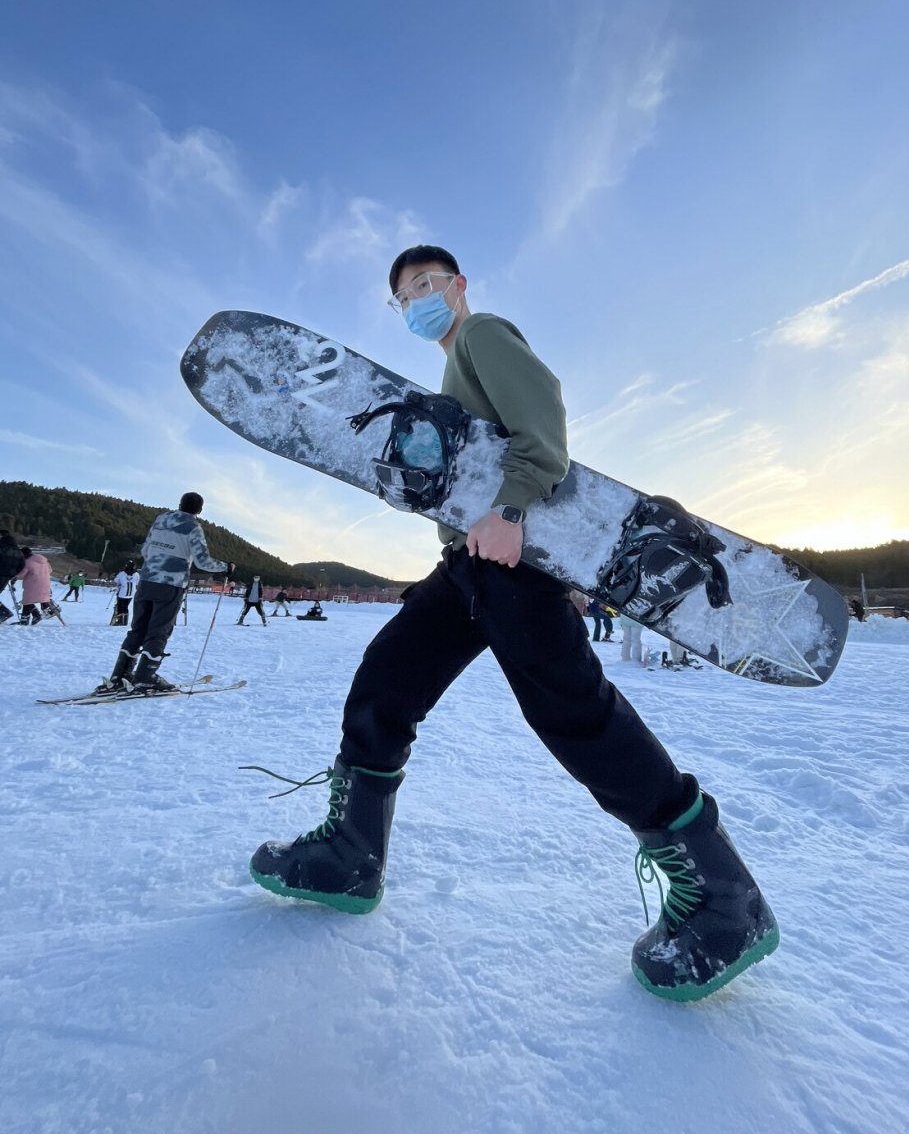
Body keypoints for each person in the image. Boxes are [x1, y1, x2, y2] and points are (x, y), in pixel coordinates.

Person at [248, 245, 779, 1004]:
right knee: (385, 683)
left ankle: (727, 902)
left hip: (512, 556)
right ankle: (351, 853)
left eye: (428, 285)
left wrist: (511, 508)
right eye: (405, 296)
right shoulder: (451, 366)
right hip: (467, 564)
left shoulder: (483, 335)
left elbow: (544, 429)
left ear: (458, 287)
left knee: (574, 715)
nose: (419, 300)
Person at [99, 493, 233, 692]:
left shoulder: (161, 519)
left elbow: (146, 549)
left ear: (179, 504)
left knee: (138, 629)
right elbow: (202, 561)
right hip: (171, 584)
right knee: (159, 630)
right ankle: (145, 677)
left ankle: (120, 675)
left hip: (146, 580)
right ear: (199, 510)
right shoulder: (193, 528)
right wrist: (226, 567)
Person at [14, 547, 54, 624]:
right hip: (45, 583)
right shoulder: (44, 561)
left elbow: (21, 575)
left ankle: (24, 620)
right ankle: (39, 614)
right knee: (38, 599)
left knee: (27, 601)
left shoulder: (27, 562)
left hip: (33, 584)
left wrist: (14, 574)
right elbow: (50, 570)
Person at [0, 526, 25, 623]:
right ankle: (3, 613)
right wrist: (13, 574)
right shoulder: (18, 550)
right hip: (7, 576)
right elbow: (22, 564)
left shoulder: (1, 546)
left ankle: (4, 612)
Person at [112, 560, 140, 626]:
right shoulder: (136, 574)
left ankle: (120, 621)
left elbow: (116, 580)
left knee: (120, 607)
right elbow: (137, 582)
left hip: (122, 593)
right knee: (126, 607)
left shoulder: (122, 573)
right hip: (131, 593)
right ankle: (125, 621)